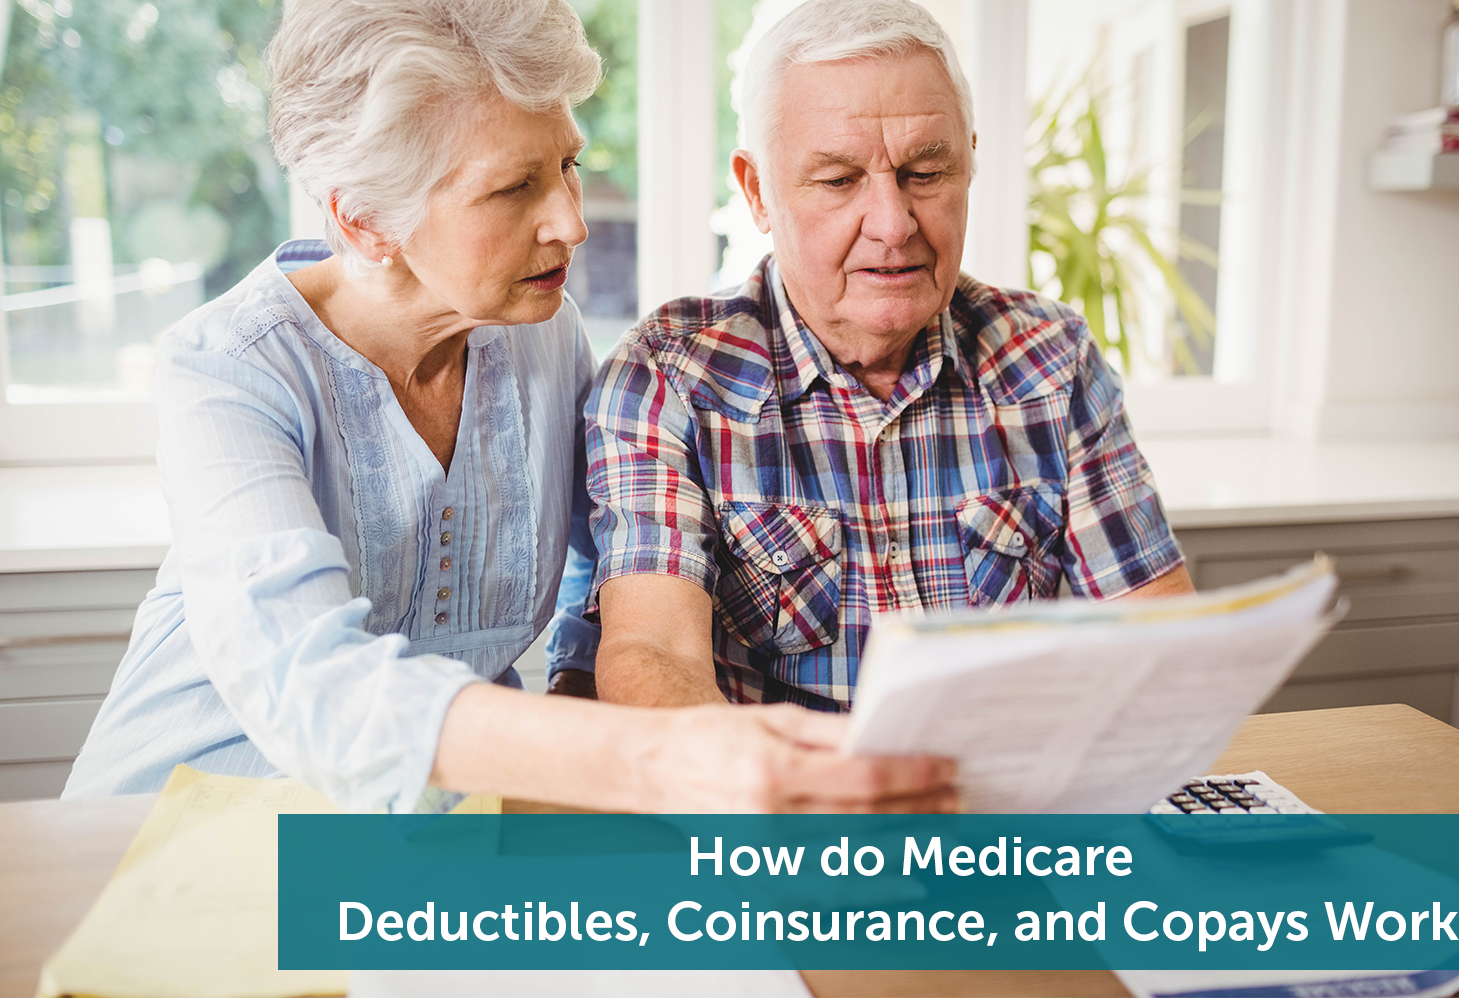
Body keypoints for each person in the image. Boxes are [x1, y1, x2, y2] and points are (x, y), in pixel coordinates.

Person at [62, 0, 956, 815]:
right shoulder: (228, 373)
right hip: (173, 829)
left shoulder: (539, 332)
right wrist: (653, 756)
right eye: (512, 188)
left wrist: (580, 721)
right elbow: (312, 687)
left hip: (431, 843)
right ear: (369, 222)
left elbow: (600, 571)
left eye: (565, 164)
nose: (571, 221)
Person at [579, 0, 1195, 713]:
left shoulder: (1051, 360)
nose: (894, 225)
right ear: (758, 193)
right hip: (791, 811)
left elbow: (1160, 632)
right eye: (839, 181)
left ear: (968, 162)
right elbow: (651, 657)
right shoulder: (670, 377)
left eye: (925, 173)